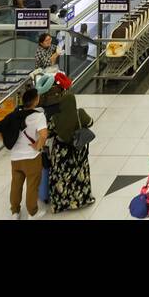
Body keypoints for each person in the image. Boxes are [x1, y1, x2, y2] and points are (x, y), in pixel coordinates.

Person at [0, 86, 48, 219]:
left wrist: (7, 142)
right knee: (32, 185)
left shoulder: (13, 115)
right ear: (35, 101)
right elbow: (44, 135)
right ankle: (32, 212)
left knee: (16, 184)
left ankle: (15, 212)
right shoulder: (38, 116)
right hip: (32, 157)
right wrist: (38, 146)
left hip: (15, 158)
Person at [46, 73, 95, 212]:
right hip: (78, 149)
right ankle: (81, 199)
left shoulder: (55, 118)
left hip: (61, 152)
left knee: (61, 176)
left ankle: (60, 203)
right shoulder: (80, 113)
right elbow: (90, 122)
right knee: (80, 173)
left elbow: (49, 132)